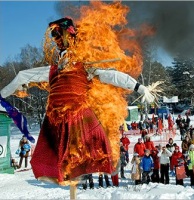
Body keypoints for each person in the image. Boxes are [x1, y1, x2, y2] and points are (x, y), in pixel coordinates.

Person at [29, 10, 155, 185]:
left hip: (79, 116)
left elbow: (113, 76)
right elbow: (27, 76)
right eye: (54, 36)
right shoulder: (55, 69)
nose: (56, 40)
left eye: (60, 35)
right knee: (55, 156)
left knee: (88, 148)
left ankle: (105, 165)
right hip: (57, 119)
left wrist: (139, 87)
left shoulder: (85, 64)